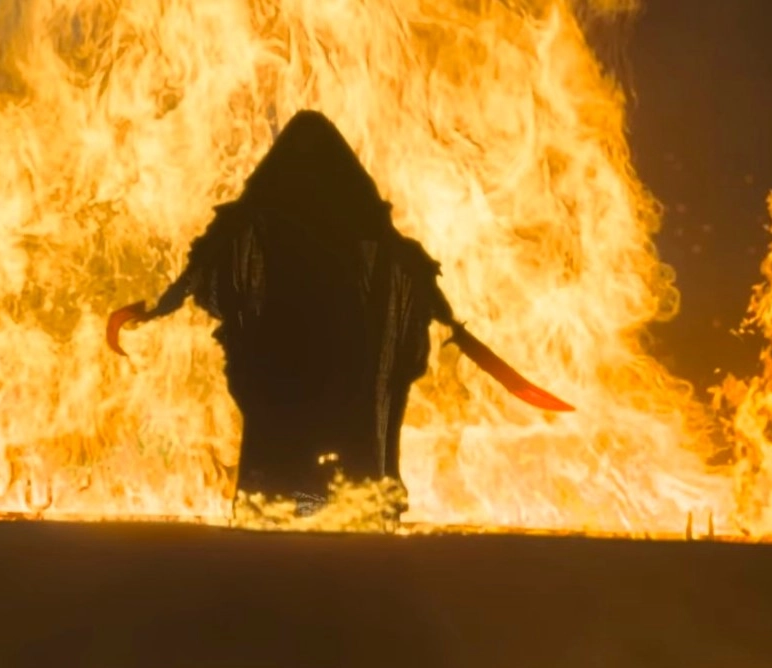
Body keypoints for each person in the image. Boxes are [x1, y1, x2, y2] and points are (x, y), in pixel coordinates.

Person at [108, 110, 571, 516]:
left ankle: (301, 518)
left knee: (288, 446)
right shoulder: (346, 225)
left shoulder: (263, 218)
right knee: (332, 443)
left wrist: (157, 309)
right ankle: (322, 518)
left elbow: (202, 268)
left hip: (289, 354)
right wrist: (449, 321)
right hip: (335, 353)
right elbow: (410, 268)